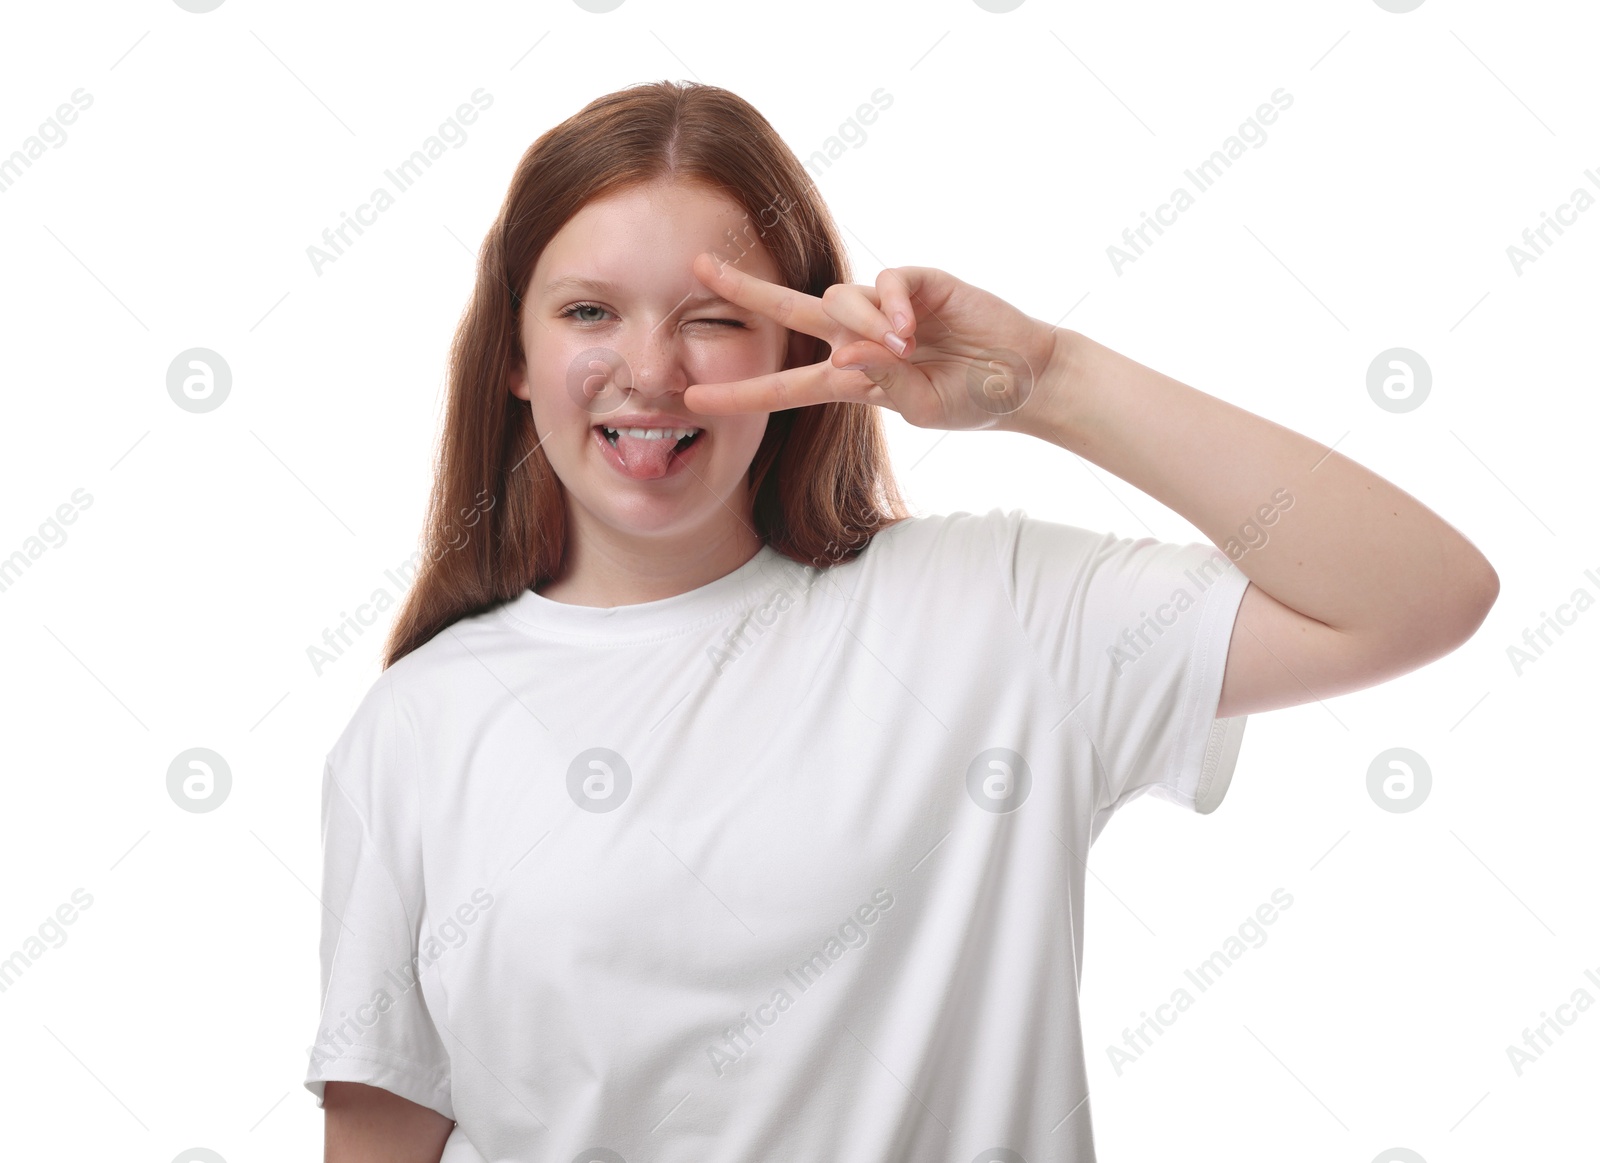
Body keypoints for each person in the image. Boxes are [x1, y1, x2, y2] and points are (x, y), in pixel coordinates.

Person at [304, 80, 1498, 1163]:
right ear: (514, 352)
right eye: (588, 313)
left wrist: (1047, 379)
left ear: (799, 341)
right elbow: (382, 1139)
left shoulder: (997, 614)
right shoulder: (416, 727)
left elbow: (1419, 594)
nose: (653, 372)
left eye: (712, 317)